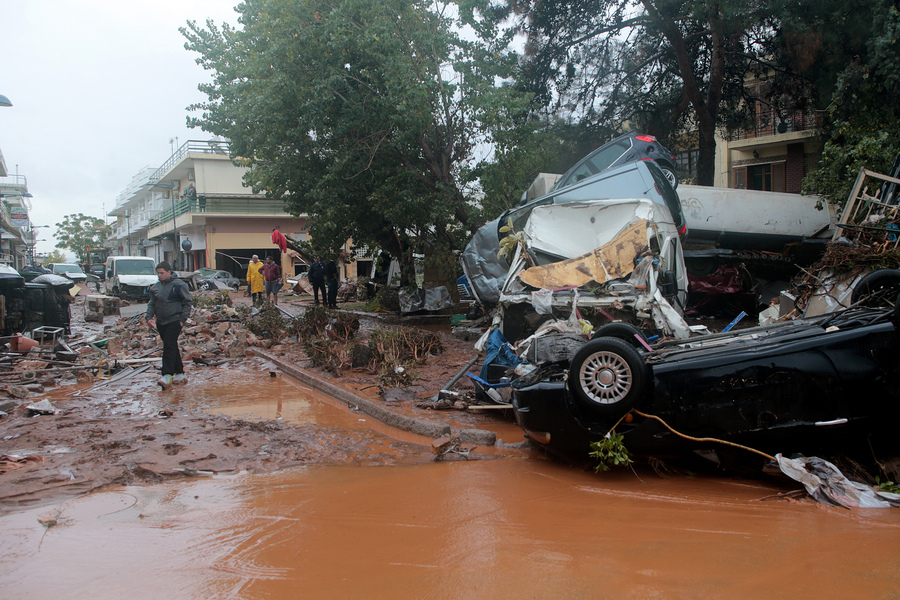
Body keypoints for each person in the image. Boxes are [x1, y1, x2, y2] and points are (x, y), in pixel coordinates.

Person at [143, 261, 192, 390]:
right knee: (172, 346)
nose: (160, 276)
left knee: (168, 346)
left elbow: (187, 303)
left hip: (174, 320)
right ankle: (179, 373)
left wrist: (182, 319)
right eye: (158, 273)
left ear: (169, 272)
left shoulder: (179, 285)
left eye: (162, 273)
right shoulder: (156, 287)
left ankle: (166, 375)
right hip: (161, 322)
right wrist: (149, 317)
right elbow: (152, 304)